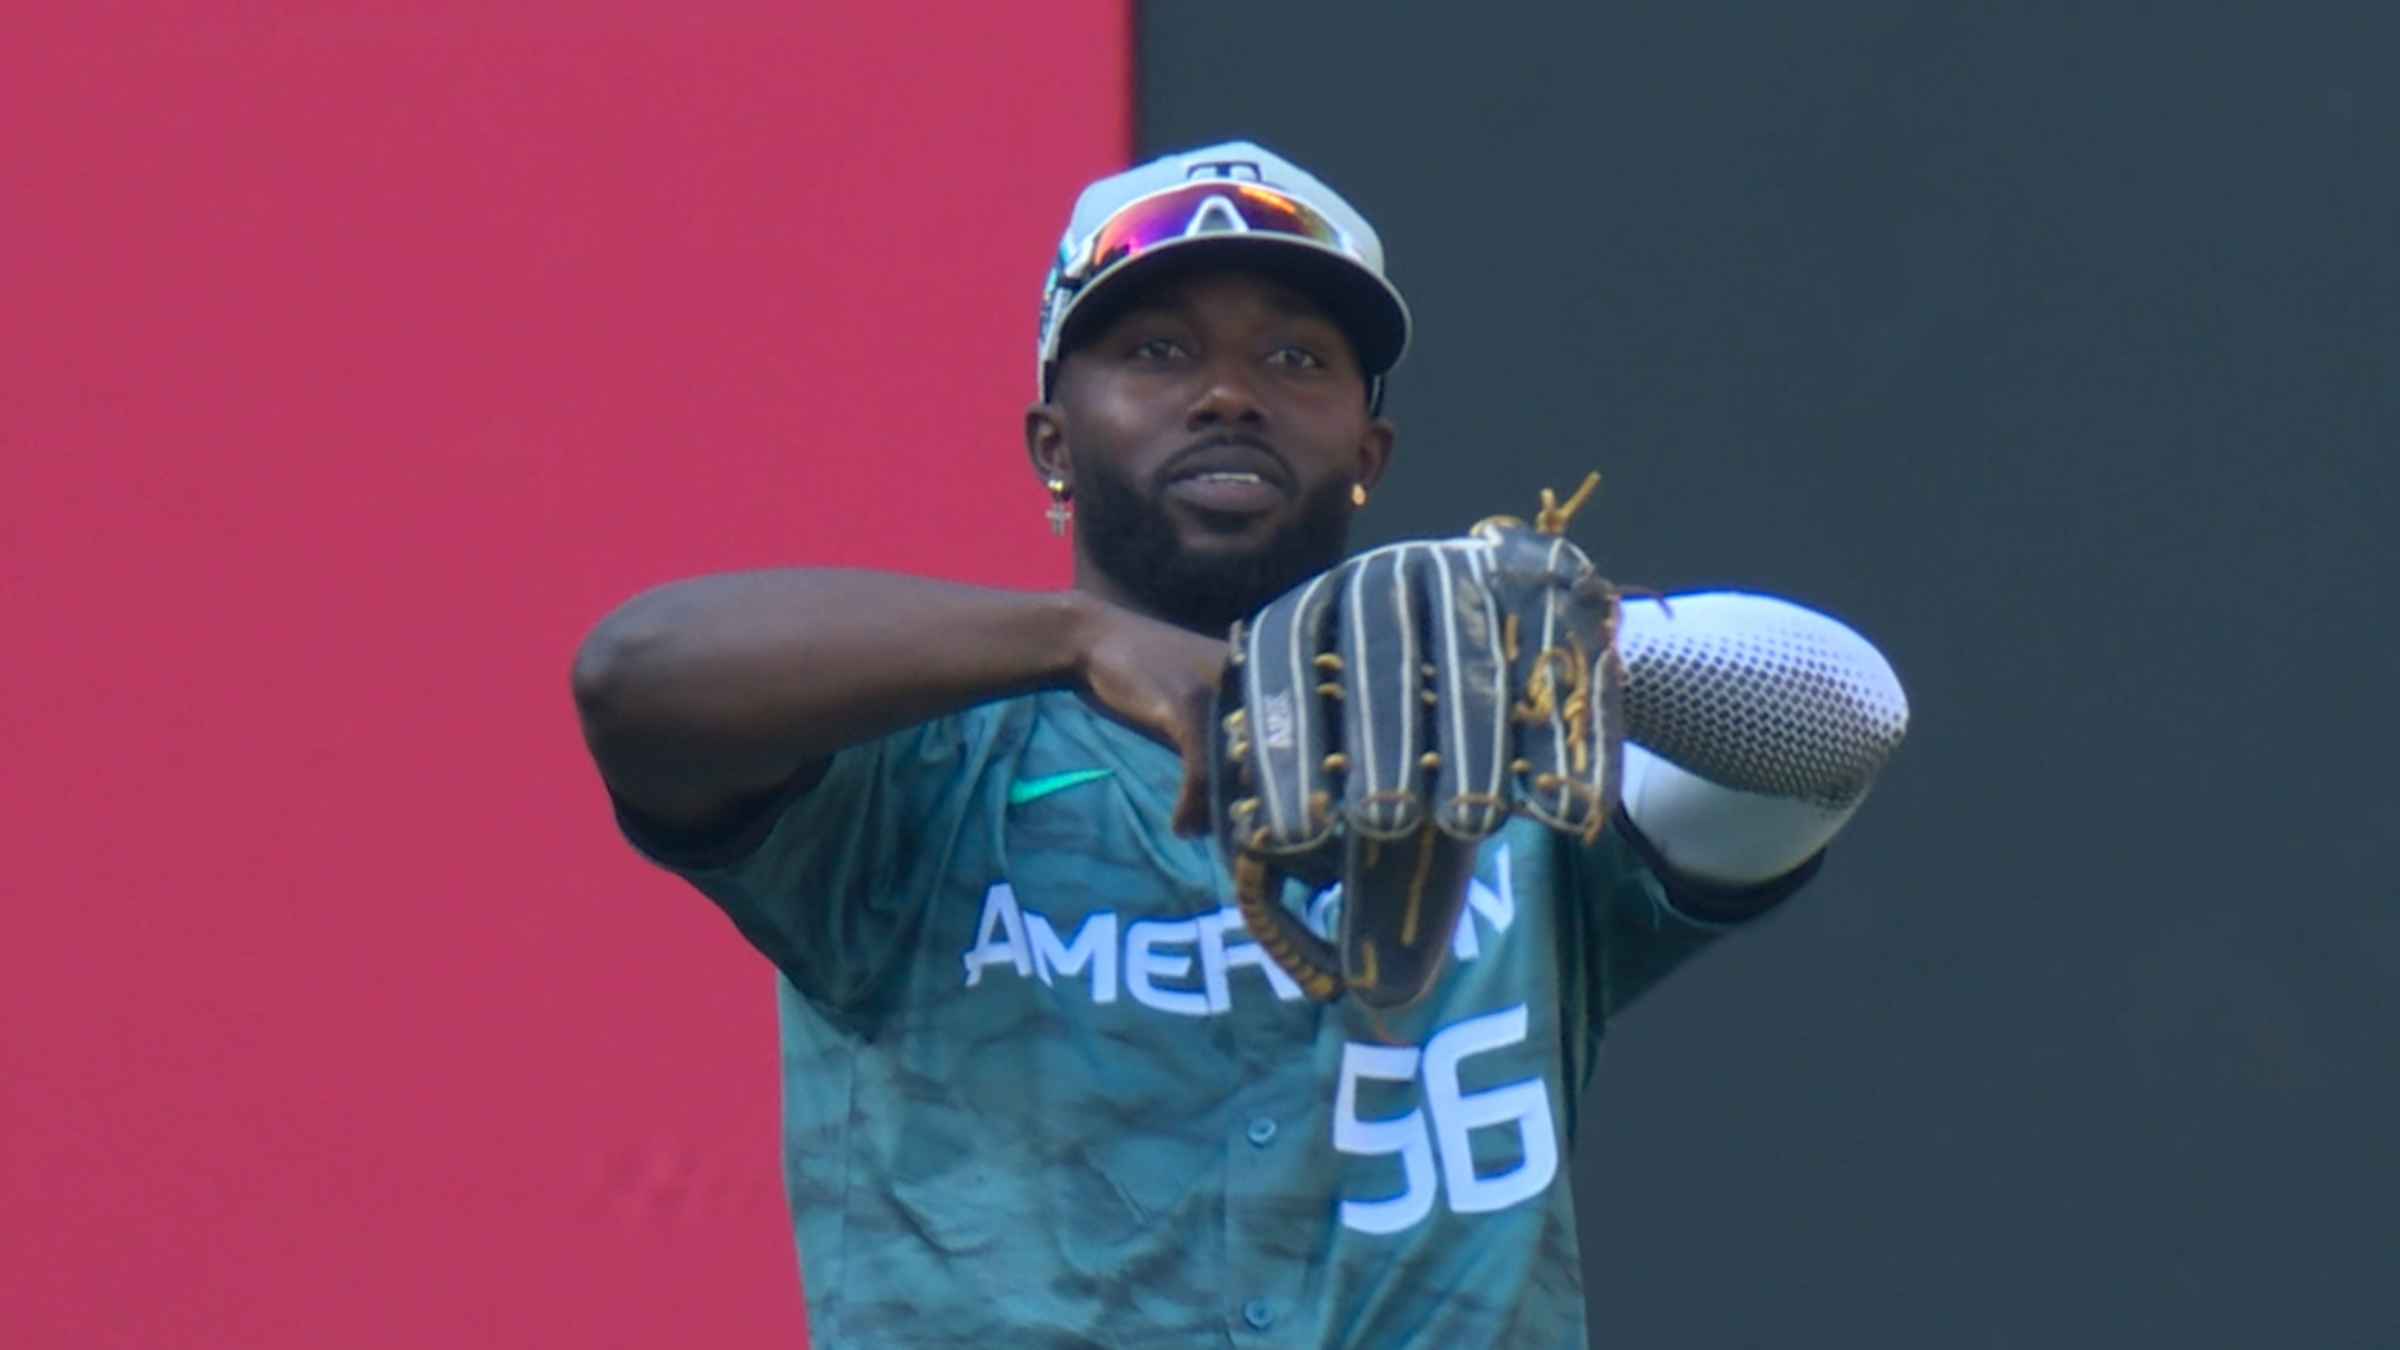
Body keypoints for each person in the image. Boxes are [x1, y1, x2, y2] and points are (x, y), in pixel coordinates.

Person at [571, 142, 1909, 1348]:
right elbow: (636, 681)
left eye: (1295, 358)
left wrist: (1582, 646)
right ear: (1052, 440)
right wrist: (1073, 640)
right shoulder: (925, 768)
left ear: (1369, 447)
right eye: (1155, 352)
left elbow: (1849, 720)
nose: (1227, 395)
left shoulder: (1502, 745)